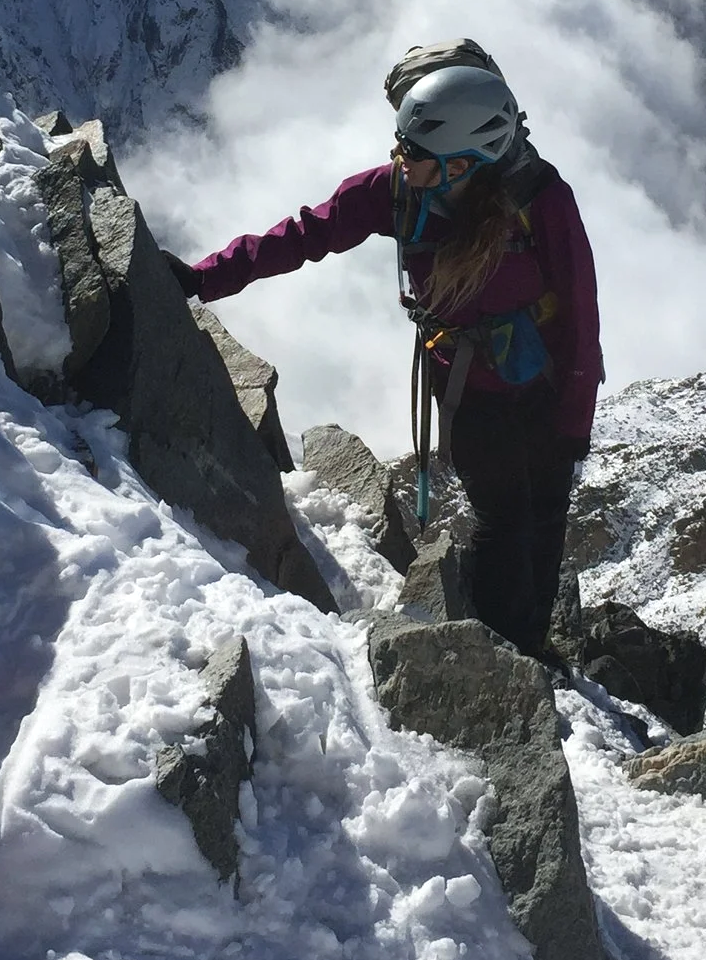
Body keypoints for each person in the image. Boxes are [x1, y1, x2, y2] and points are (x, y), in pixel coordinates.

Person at [169, 44, 601, 660]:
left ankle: (522, 644)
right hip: (470, 392)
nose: (401, 161)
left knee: (545, 516)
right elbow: (304, 234)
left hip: (544, 385)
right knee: (506, 520)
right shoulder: (399, 191)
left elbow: (581, 315)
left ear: (466, 163)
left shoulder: (540, 201)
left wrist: (572, 423)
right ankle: (512, 654)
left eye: (419, 155)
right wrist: (204, 277)